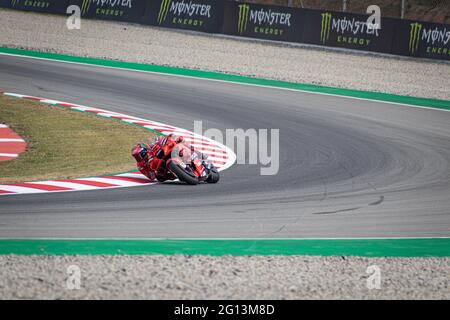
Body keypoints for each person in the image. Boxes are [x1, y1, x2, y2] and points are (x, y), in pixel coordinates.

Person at [131, 134, 211, 182]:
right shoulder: (141, 166)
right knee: (160, 178)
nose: (140, 157)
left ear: (145, 150)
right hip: (164, 169)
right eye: (137, 156)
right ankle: (184, 173)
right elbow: (151, 177)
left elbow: (163, 139)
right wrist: (154, 172)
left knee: (181, 143)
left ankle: (199, 154)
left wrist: (170, 138)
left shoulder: (152, 148)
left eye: (141, 154)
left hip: (170, 153)